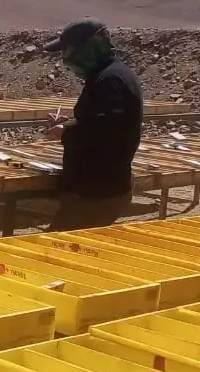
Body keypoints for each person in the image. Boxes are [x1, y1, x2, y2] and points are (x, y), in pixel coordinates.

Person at [41, 18, 144, 231]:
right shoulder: (110, 75)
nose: (66, 59)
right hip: (100, 187)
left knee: (60, 252)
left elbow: (107, 132)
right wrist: (69, 124)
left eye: (68, 50)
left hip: (97, 192)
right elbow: (100, 122)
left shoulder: (110, 80)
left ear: (87, 48)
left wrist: (66, 132)